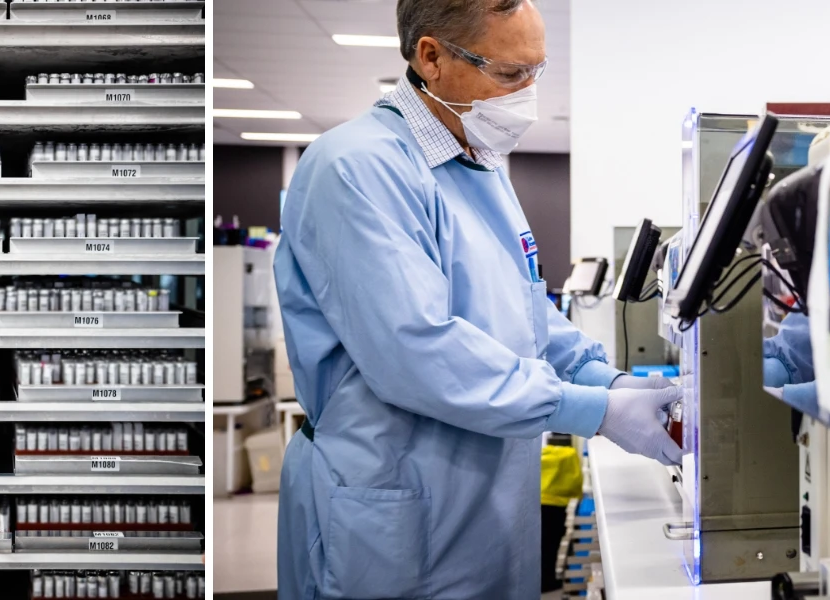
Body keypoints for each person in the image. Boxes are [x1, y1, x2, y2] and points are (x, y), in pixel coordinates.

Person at [273, 1, 683, 598]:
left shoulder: (480, 165)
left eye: (536, 72)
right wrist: (591, 411)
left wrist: (607, 379)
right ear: (430, 57)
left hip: (485, 499)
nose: (527, 96)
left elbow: (525, 307)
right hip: (392, 502)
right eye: (510, 74)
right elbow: (416, 351)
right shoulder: (356, 167)